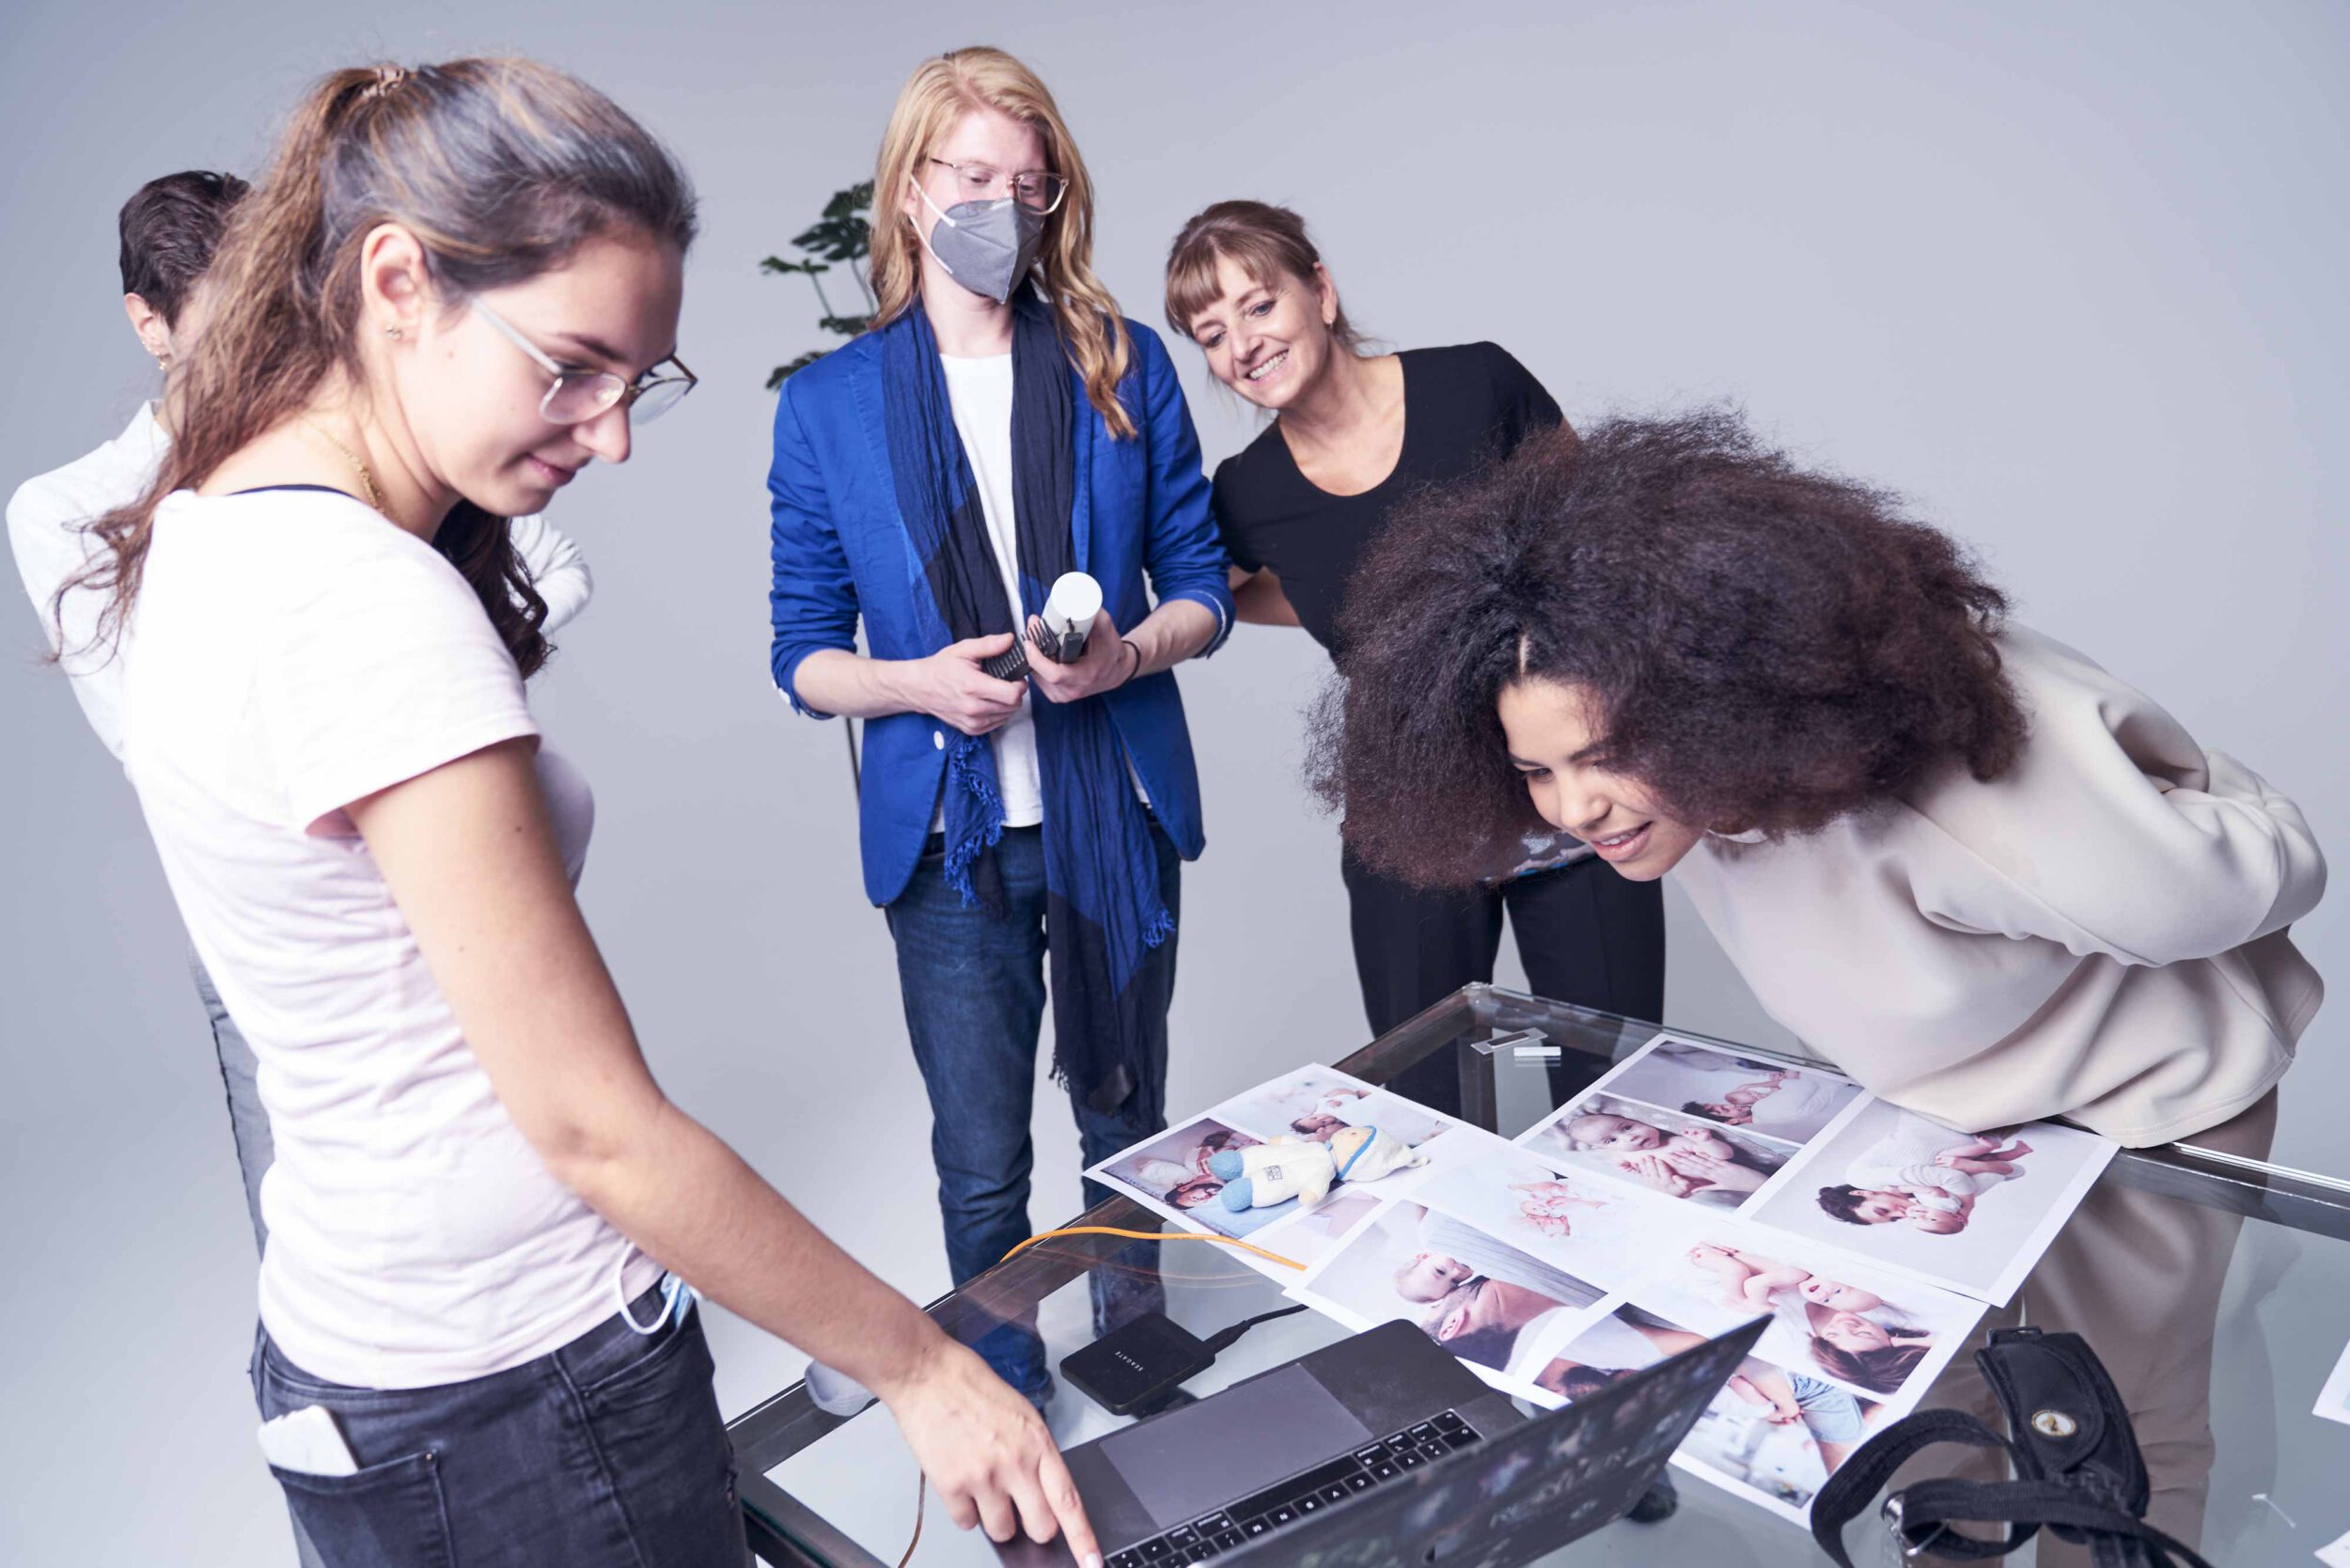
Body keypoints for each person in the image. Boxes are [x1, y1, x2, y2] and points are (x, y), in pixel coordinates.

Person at [70, 58, 1100, 1567]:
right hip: (517, 1397)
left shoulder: (213, 521)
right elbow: (593, 1128)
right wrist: (924, 1367)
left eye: (640, 382)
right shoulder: (365, 606)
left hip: (364, 1359)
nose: (611, 435)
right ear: (400, 279)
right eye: (572, 365)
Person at [1316, 408, 2324, 1149]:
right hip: (1961, 1140)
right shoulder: (1692, 806)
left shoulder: (1955, 809)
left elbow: (2229, 884)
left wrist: (2208, 798)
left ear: (1700, 698)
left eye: (1602, 755)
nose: (1573, 809)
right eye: (1534, 771)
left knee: (2138, 1431)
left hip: (2145, 1133)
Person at [8, 169, 593, 1262]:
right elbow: (155, 727)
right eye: (230, 318)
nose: (261, 346)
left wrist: (453, 655)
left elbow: (531, 586)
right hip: (277, 912)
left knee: (525, 1188)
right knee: (317, 1240)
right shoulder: (67, 508)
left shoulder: (347, 454)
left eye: (277, 309)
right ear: (151, 325)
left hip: (456, 871)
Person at [768, 47, 1232, 1407]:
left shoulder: (1119, 365)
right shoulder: (830, 406)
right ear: (913, 191)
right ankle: (1006, 1395)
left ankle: (1139, 1357)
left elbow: (1199, 578)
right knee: (981, 1156)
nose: (1003, 209)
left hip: (1114, 814)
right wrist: (918, 685)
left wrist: (1130, 654)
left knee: (1126, 1120)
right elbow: (802, 656)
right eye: (974, 179)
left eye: (1029, 187)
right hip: (949, 847)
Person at [1162, 199, 1665, 1083]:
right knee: (1428, 1099)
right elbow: (1219, 594)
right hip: (1410, 815)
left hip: (1567, 791)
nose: (1240, 346)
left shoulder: (1475, 385)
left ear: (1319, 289)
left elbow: (1601, 534)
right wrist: (1336, 609)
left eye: (1257, 305)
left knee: (1612, 1083)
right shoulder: (1248, 490)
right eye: (1209, 334)